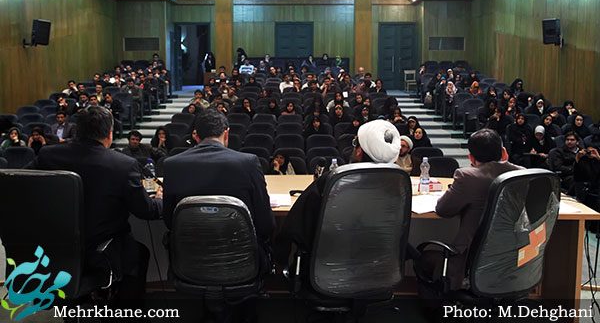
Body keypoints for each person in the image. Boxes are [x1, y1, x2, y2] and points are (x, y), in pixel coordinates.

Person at [34, 106, 163, 305]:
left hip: (53, 248)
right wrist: (161, 199)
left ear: (77, 130)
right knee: (139, 254)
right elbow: (146, 210)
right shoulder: (123, 165)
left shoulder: (47, 156)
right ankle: (126, 312)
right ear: (110, 134)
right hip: (101, 251)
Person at [276, 120, 402, 271]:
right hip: (380, 272)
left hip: (326, 270)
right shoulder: (397, 186)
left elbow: (294, 227)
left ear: (360, 150)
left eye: (355, 143)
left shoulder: (334, 180)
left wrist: (280, 257)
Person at [163, 107, 275, 272]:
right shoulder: (249, 163)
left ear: (196, 135)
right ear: (226, 133)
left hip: (191, 264)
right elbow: (266, 224)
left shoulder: (172, 165)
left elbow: (169, 221)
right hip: (241, 263)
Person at [419, 129, 523, 290]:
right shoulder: (522, 175)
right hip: (512, 259)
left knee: (423, 258)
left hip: (469, 261)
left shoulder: (467, 176)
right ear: (504, 152)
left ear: (471, 158)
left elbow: (443, 210)